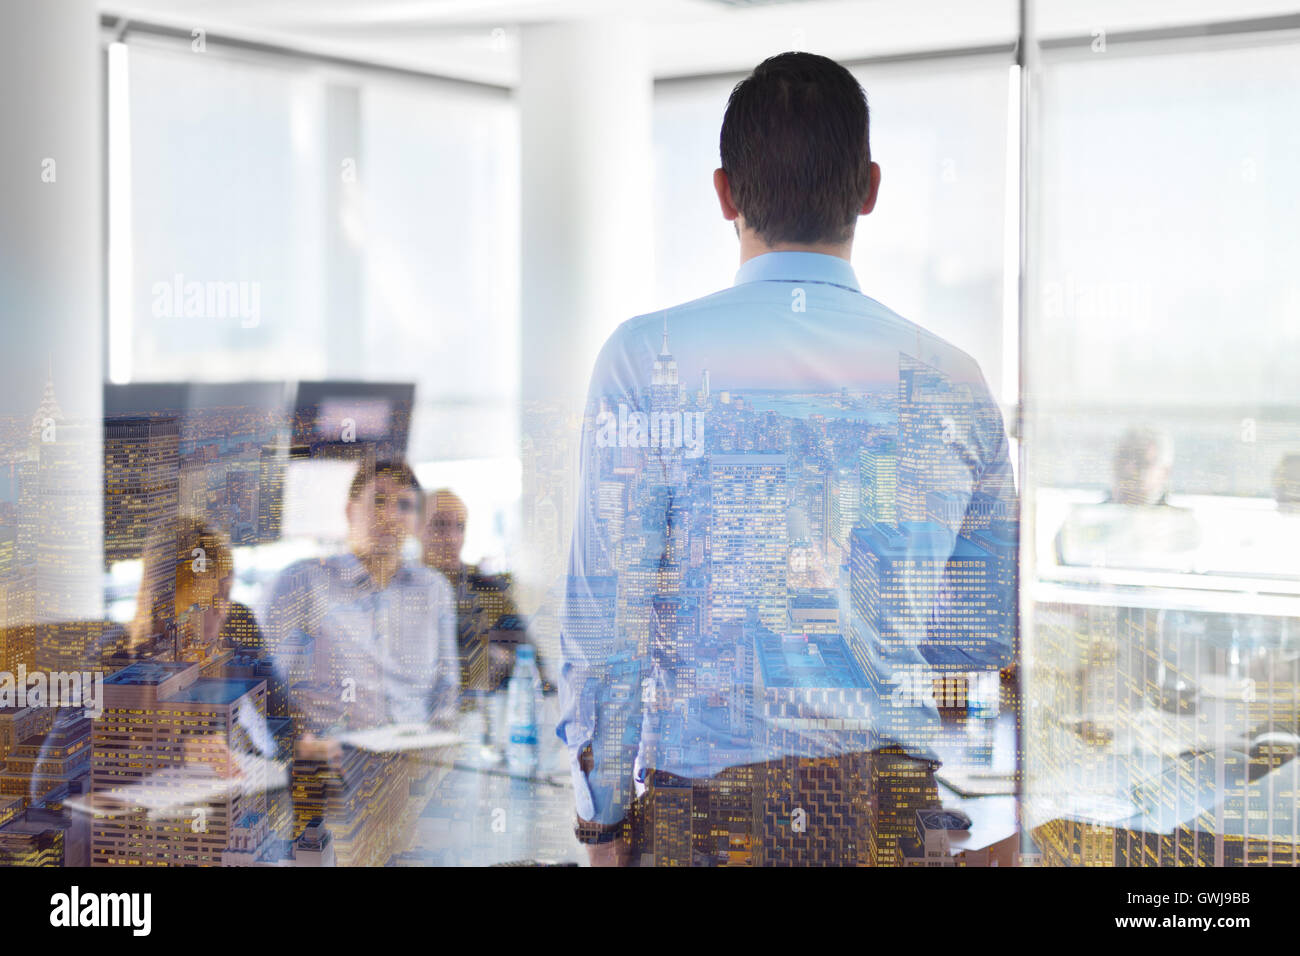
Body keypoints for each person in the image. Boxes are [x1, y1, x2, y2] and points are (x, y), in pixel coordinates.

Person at [557, 52, 1019, 866]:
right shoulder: (955, 380)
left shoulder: (642, 358)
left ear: (725, 192)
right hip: (888, 807)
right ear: (870, 189)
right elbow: (979, 639)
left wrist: (603, 823)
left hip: (705, 813)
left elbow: (607, 635)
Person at [264, 460, 460, 739]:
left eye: (404, 506)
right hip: (331, 760)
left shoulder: (433, 589)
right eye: (378, 501)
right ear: (349, 510)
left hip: (417, 757)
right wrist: (298, 746)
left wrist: (441, 750)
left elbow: (447, 687)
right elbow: (264, 687)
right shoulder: (301, 581)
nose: (390, 516)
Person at [421, 488, 544, 695]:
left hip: (483, 711)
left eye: (459, 527)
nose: (451, 538)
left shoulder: (487, 588)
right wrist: (488, 659)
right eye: (439, 525)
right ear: (417, 528)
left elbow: (530, 662)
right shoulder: (403, 591)